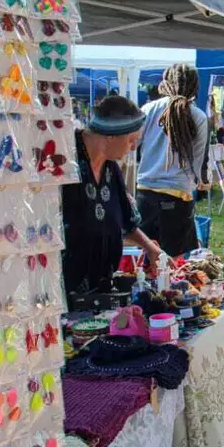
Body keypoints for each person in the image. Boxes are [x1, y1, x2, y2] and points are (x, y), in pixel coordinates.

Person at [62, 96, 164, 302]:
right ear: (110, 136)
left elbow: (127, 219)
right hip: (66, 288)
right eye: (130, 140)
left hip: (101, 285)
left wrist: (153, 249)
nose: (134, 147)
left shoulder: (111, 168)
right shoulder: (66, 162)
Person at [137, 64, 209, 258]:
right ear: (195, 87)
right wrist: (200, 182)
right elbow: (197, 161)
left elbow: (132, 147)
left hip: (145, 193)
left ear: (166, 83)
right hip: (177, 196)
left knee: (146, 258)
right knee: (175, 262)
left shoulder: (148, 109)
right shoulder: (198, 116)